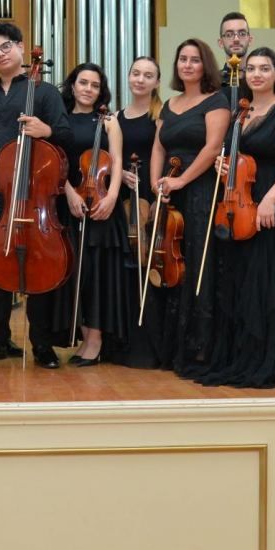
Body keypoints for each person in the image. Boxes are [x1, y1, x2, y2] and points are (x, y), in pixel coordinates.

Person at [193, 47, 275, 388]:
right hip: (242, 204)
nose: (257, 74)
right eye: (251, 69)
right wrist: (222, 165)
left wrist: (270, 199)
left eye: (264, 68)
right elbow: (237, 159)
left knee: (271, 281)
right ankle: (245, 355)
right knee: (244, 282)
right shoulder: (239, 113)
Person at [0, 22, 75, 368]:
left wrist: (48, 130)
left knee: (39, 269)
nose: (0, 55)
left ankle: (40, 343)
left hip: (34, 195)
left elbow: (68, 136)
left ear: (21, 48)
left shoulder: (44, 92)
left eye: (6, 47)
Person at [150, 39, 230, 376]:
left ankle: (200, 348)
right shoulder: (169, 104)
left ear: (205, 65)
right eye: (182, 59)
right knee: (173, 264)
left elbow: (213, 148)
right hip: (171, 191)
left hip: (200, 192)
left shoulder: (216, 101)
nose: (187, 65)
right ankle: (174, 347)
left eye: (194, 60)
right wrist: (157, 184)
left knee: (198, 262)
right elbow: (158, 148)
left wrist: (182, 181)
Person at [56, 63, 127, 366]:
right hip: (67, 204)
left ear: (101, 90)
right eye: (82, 82)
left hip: (99, 205)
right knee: (75, 274)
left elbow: (118, 161)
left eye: (94, 85)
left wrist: (111, 197)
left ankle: (95, 341)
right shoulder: (58, 120)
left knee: (95, 274)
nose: (87, 89)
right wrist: (68, 190)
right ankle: (84, 337)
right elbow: (54, 161)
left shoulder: (108, 121)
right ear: (72, 85)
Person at [112, 55, 162, 367]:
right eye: (135, 73)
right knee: (125, 270)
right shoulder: (116, 117)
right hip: (124, 200)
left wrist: (155, 188)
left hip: (151, 197)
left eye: (148, 75)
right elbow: (110, 158)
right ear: (129, 77)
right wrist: (121, 176)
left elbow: (165, 152)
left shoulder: (161, 115)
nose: (140, 79)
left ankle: (151, 346)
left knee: (151, 269)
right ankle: (123, 344)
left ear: (156, 82)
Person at [218, 12, 253, 76]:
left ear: (250, 40)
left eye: (242, 34)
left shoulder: (260, 80)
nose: (236, 39)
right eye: (229, 35)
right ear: (221, 43)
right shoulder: (213, 81)